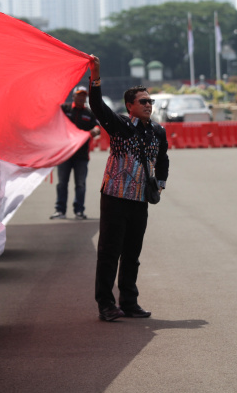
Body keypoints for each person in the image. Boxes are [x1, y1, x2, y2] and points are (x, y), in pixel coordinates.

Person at [87, 55, 169, 322]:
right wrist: (96, 76)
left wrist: (161, 182)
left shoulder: (158, 131)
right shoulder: (120, 125)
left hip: (140, 200)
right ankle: (106, 304)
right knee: (110, 252)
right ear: (130, 106)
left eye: (150, 101)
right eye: (143, 102)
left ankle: (129, 302)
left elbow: (164, 157)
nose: (148, 105)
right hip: (115, 197)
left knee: (132, 253)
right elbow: (97, 105)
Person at [50, 86, 100, 220]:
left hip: (81, 156)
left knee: (80, 184)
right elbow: (51, 117)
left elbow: (97, 126)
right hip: (65, 154)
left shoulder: (89, 113)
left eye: (84, 95)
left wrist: (95, 130)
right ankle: (60, 210)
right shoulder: (64, 109)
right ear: (73, 96)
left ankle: (79, 210)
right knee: (62, 183)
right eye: (79, 95)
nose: (81, 97)